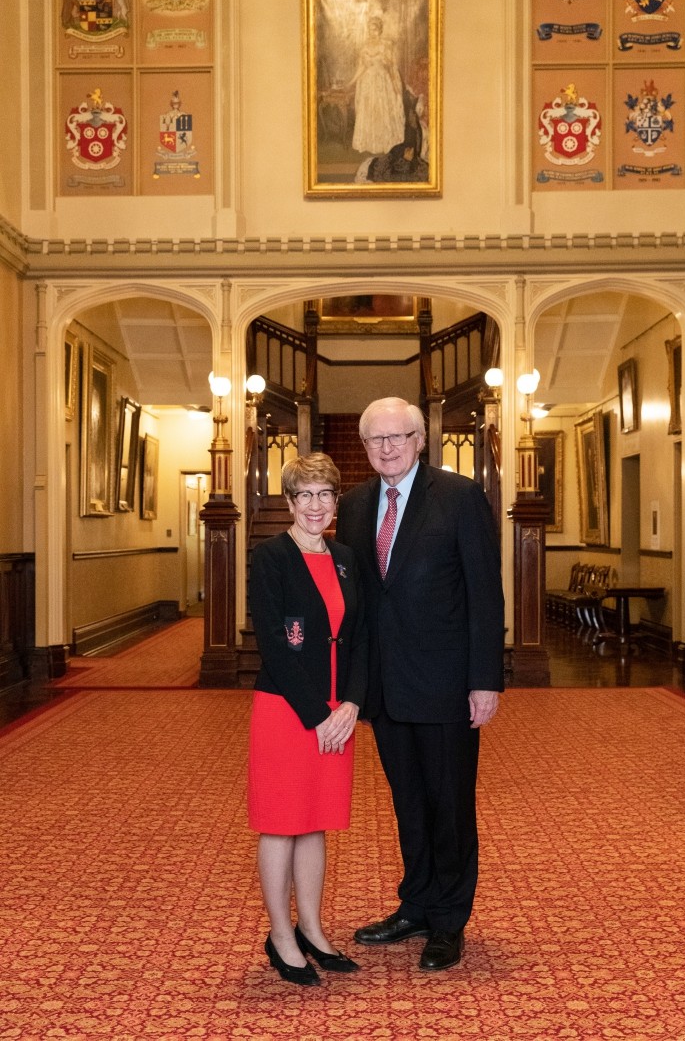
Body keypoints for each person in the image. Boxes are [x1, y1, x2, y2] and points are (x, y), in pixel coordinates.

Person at [336, 398, 504, 972]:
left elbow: (486, 594)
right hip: (385, 687)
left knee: (449, 805)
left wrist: (485, 680)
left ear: (420, 439)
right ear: (364, 448)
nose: (387, 447)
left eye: (398, 436)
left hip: (446, 685)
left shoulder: (459, 498)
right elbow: (358, 601)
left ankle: (449, 921)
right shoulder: (355, 506)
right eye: (375, 440)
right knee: (407, 803)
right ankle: (416, 904)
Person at [247, 452, 367, 986]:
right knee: (281, 822)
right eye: (305, 495)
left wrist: (351, 705)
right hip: (288, 709)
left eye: (325, 494)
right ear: (290, 502)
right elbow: (274, 643)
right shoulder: (270, 556)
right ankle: (280, 936)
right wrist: (317, 714)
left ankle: (313, 929)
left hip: (337, 711)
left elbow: (362, 637)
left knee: (315, 820)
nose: (315, 505)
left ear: (336, 502)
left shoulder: (345, 556)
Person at [348, 15, 405, 156]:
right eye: (369, 29)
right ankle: (369, 143)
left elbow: (392, 67)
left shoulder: (386, 45)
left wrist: (396, 87)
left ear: (379, 30)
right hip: (368, 83)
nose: (371, 32)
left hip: (382, 82)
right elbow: (361, 68)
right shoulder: (365, 47)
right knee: (369, 110)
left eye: (374, 29)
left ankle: (384, 143)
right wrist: (351, 82)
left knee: (382, 110)